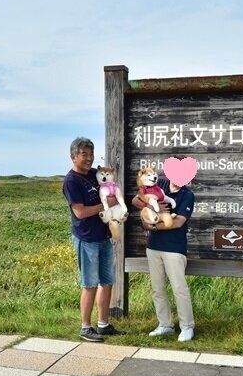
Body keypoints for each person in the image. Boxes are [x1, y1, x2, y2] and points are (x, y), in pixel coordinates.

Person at [62, 137, 125, 342]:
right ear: (73, 157)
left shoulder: (93, 174)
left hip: (103, 235)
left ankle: (103, 324)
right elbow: (80, 212)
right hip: (87, 238)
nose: (89, 158)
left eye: (91, 154)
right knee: (89, 284)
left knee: (107, 281)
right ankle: (85, 327)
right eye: (84, 154)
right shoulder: (71, 181)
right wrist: (106, 206)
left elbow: (109, 188)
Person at [132, 175, 196, 341]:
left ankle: (187, 327)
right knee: (158, 289)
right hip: (153, 247)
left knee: (179, 289)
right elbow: (135, 200)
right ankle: (165, 325)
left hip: (174, 248)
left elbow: (178, 222)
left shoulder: (187, 195)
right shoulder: (159, 184)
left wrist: (152, 226)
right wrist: (149, 206)